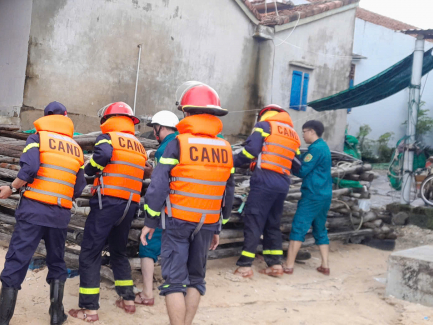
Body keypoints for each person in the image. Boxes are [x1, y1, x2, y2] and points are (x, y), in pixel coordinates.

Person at [139, 82, 234, 325]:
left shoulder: (177, 143)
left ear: (187, 112)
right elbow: (227, 191)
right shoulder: (225, 148)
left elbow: (158, 185)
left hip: (178, 221)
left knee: (173, 282)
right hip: (208, 223)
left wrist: (150, 221)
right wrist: (218, 226)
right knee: (196, 279)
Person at [0, 101, 86, 325]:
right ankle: (57, 315)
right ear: (65, 116)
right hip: (60, 215)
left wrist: (11, 188)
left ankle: (1, 321)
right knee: (57, 262)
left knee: (17, 260)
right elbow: (78, 188)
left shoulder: (37, 138)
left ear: (46, 116)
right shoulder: (76, 148)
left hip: (33, 211)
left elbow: (29, 169)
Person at [69, 102, 146, 322]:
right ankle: (128, 299)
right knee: (119, 252)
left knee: (90, 253)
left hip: (107, 203)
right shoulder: (138, 145)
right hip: (130, 205)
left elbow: (102, 155)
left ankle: (90, 309)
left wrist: (89, 169)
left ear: (107, 119)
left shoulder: (108, 137)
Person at [232, 104, 301, 278]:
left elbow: (251, 151)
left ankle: (245, 266)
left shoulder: (265, 126)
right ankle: (275, 265)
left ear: (264, 114)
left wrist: (230, 160)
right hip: (283, 183)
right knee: (272, 223)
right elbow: (298, 165)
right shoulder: (293, 135)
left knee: (254, 220)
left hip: (264, 181)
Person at [134, 110, 179, 307]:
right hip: (185, 209)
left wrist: (151, 216)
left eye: (155, 128)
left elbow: (160, 185)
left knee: (148, 246)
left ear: (159, 128)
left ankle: (146, 294)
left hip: (166, 207)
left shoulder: (165, 149)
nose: (154, 133)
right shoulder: (186, 143)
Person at [285, 120, 332, 275]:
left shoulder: (315, 149)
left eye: (304, 131)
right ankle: (325, 265)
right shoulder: (324, 147)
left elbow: (302, 171)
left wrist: (291, 158)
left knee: (299, 227)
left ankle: (289, 265)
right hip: (324, 194)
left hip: (312, 195)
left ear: (312, 131)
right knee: (320, 228)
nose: (303, 135)